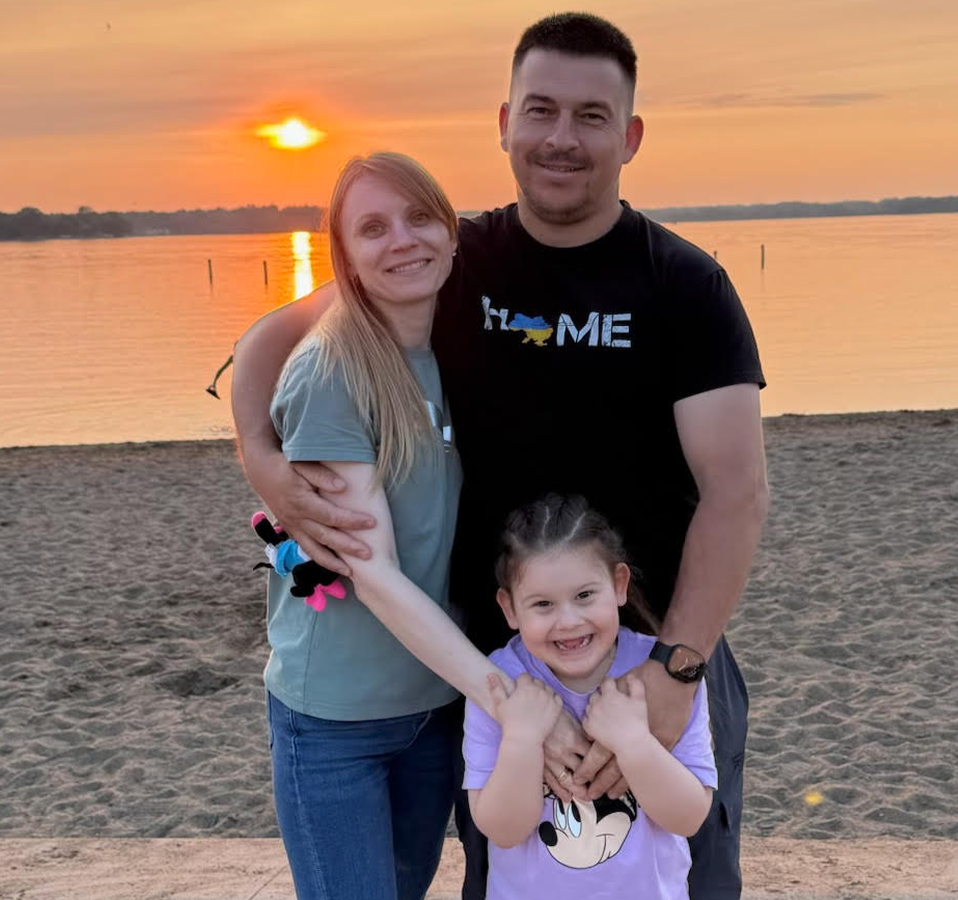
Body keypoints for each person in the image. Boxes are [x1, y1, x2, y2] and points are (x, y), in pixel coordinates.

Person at [233, 13, 769, 900]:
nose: (562, 138)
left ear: (631, 136)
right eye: (541, 110)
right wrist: (262, 458)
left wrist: (679, 669)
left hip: (651, 647)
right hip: (504, 667)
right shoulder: (452, 258)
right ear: (504, 124)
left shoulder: (684, 284)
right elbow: (269, 340)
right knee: (520, 874)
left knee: (683, 877)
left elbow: (736, 495)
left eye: (592, 116)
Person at [257, 151, 589, 900]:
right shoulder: (332, 371)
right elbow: (371, 572)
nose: (402, 240)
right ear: (345, 254)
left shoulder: (463, 346)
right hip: (337, 718)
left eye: (418, 218)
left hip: (437, 706)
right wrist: (511, 702)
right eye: (373, 228)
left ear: (450, 231)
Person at [465, 495, 716, 900]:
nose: (568, 621)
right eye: (543, 604)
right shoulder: (500, 681)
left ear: (619, 585)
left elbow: (689, 818)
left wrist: (635, 743)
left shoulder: (661, 674)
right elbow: (502, 830)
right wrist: (521, 740)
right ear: (509, 608)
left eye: (584, 595)